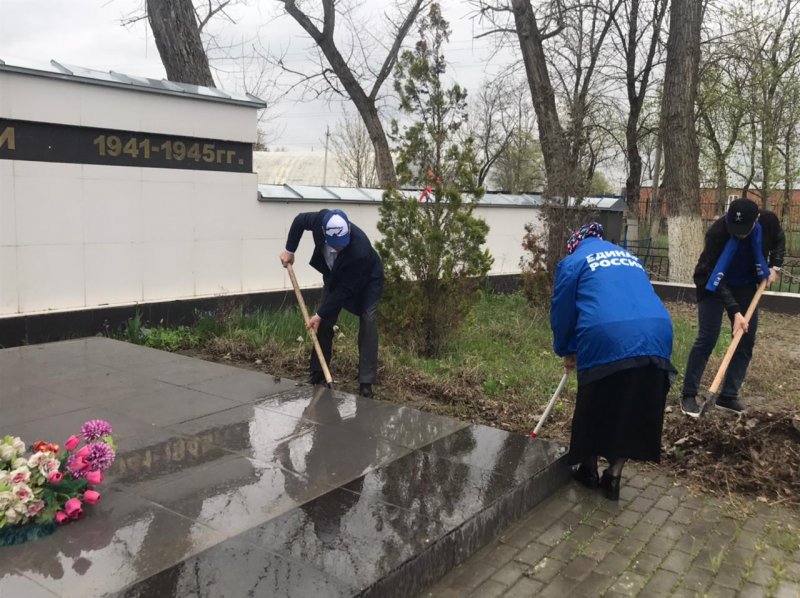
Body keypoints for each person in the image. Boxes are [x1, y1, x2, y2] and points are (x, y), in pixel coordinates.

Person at [551, 222, 675, 500]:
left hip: (607, 334)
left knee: (596, 402)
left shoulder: (574, 261)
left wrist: (566, 350)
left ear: (575, 243)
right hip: (657, 333)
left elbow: (562, 312)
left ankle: (589, 469)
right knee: (634, 405)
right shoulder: (629, 257)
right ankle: (614, 476)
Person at [680, 197, 785, 417]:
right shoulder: (717, 233)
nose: (739, 233)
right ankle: (688, 394)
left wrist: (775, 265)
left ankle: (727, 396)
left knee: (746, 338)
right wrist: (735, 311)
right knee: (708, 337)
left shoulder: (768, 221)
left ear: (756, 219)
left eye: (744, 229)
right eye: (735, 229)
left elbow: (778, 239)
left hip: (746, 285)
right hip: (713, 284)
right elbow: (714, 276)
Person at [280, 209, 384, 398]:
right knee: (324, 320)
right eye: (335, 245)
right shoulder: (319, 220)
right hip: (334, 274)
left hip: (367, 280)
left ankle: (366, 382)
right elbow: (298, 221)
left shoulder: (360, 249)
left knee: (368, 319)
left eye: (342, 244)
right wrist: (289, 250)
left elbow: (345, 290)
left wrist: (318, 314)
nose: (339, 248)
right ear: (323, 231)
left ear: (349, 229)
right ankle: (318, 372)